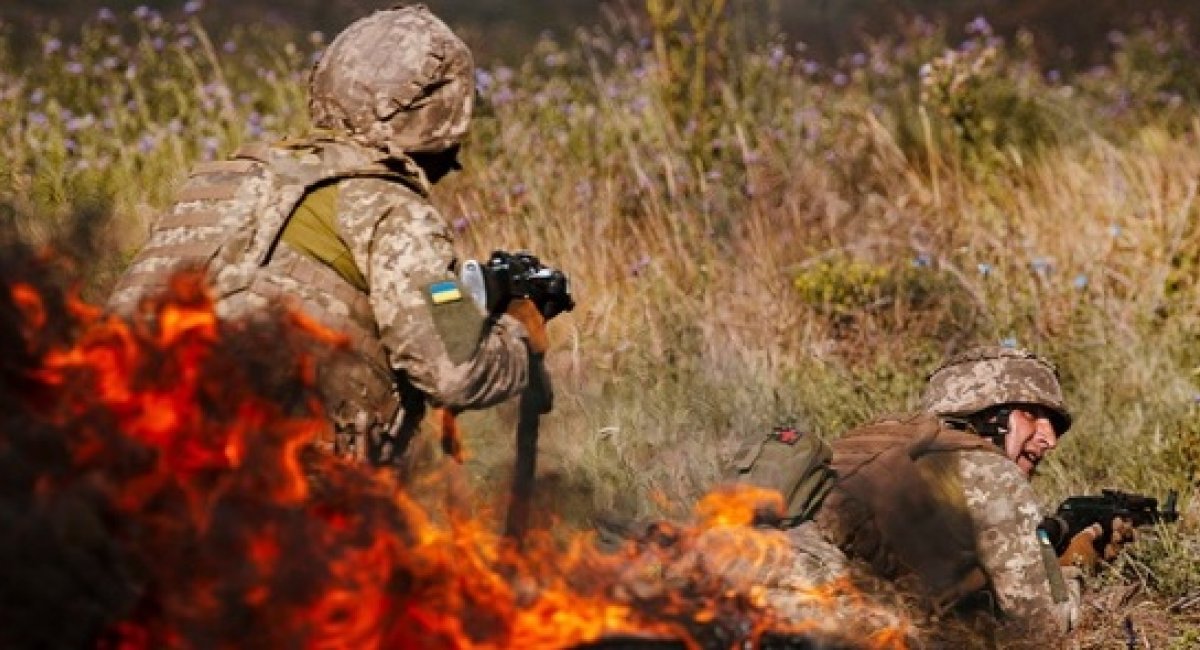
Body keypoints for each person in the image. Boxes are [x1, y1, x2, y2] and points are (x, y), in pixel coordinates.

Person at [107, 6, 570, 471]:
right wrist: (516, 336)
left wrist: (466, 303)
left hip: (106, 437)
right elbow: (453, 372)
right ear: (433, 120)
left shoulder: (230, 178)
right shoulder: (388, 204)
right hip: (250, 475)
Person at [808, 346, 1130, 642]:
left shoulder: (878, 445)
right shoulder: (990, 472)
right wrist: (1072, 567)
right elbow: (1038, 630)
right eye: (1031, 415)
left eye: (1054, 426)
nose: (1050, 439)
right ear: (990, 416)